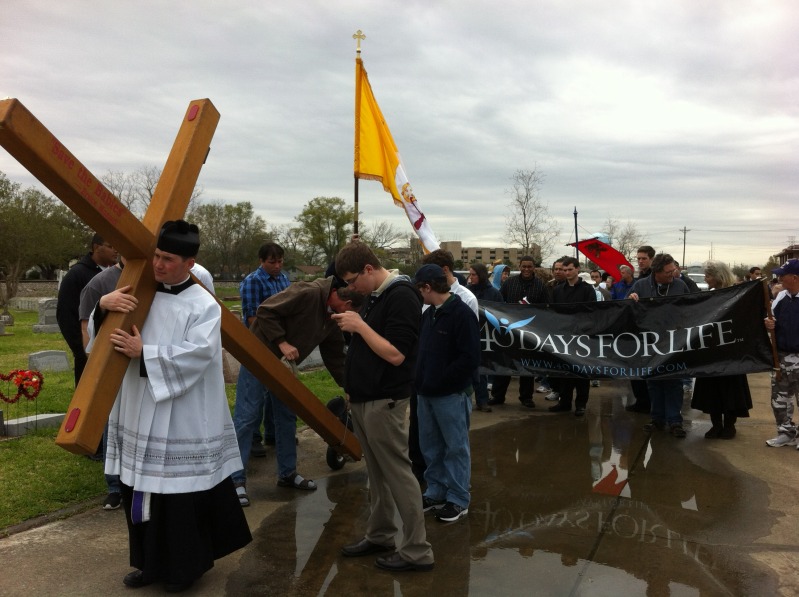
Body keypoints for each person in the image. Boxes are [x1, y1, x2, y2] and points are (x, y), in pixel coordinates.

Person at [92, 220, 251, 592]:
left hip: (180, 416)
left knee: (178, 501)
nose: (158, 265)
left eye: (168, 259)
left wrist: (144, 353)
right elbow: (98, 341)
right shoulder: (139, 293)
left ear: (189, 263)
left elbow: (199, 355)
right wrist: (103, 307)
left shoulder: (203, 305)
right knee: (138, 492)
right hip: (136, 408)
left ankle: (184, 568)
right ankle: (147, 564)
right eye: (156, 257)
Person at [332, 242, 434, 573]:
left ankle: (417, 549)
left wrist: (359, 326)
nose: (350, 288)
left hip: (385, 401)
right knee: (376, 474)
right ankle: (381, 534)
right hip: (365, 399)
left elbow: (396, 354)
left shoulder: (401, 295)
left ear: (368, 270)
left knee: (398, 474)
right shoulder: (378, 296)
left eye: (351, 280)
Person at [231, 276, 364, 506]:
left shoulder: (332, 316)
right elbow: (265, 311)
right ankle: (235, 481)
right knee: (247, 416)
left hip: (284, 366)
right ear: (347, 304)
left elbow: (335, 357)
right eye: (350, 313)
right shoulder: (308, 292)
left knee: (286, 417)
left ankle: (287, 473)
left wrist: (349, 387)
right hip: (259, 356)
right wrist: (282, 341)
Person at [414, 264, 480, 523]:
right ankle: (436, 490)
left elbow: (470, 357)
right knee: (430, 445)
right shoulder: (429, 314)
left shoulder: (461, 314)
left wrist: (441, 380)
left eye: (420, 289)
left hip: (451, 395)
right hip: (426, 393)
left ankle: (458, 498)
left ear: (427, 287)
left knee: (455, 447)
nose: (420, 294)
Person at [79, 258, 126, 510]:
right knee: (112, 423)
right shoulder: (100, 283)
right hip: (109, 363)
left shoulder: (156, 277)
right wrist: (103, 304)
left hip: (139, 359)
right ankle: (114, 486)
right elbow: (87, 328)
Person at [234, 243, 289, 460]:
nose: (277, 266)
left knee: (275, 392)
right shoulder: (253, 282)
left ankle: (273, 433)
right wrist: (273, 338)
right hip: (259, 343)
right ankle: (254, 438)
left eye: (280, 261)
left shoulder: (284, 279)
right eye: (272, 262)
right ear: (261, 261)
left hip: (280, 342)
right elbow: (252, 318)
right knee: (254, 393)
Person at [628, 253, 690, 437]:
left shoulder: (680, 285)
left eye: (674, 270)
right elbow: (625, 309)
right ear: (657, 271)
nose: (673, 274)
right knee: (654, 383)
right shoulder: (640, 286)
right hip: (650, 343)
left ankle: (675, 421)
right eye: (669, 271)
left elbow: (692, 309)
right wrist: (630, 299)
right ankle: (657, 419)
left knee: (673, 382)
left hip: (673, 342)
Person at [691, 260, 753, 439]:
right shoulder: (709, 295)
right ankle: (716, 425)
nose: (705, 278)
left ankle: (729, 426)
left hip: (731, 351)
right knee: (711, 390)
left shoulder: (736, 294)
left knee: (731, 389)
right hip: (710, 350)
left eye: (708, 275)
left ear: (718, 276)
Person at [57, 234, 118, 386]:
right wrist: (81, 350)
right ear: (97, 248)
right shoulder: (77, 275)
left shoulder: (117, 273)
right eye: (110, 246)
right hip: (88, 351)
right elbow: (66, 315)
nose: (116, 250)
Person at [489, 255, 549, 408]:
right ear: (519, 266)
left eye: (529, 266)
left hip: (530, 332)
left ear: (534, 267)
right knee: (504, 363)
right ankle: (498, 395)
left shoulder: (540, 285)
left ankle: (526, 397)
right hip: (509, 331)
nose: (527, 269)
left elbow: (546, 308)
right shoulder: (509, 283)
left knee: (526, 366)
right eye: (524, 266)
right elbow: (500, 304)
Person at [548, 257, 597, 416]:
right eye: (565, 269)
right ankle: (565, 402)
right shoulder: (558, 290)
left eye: (570, 269)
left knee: (582, 372)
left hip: (581, 337)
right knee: (565, 371)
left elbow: (591, 312)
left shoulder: (587, 289)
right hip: (564, 337)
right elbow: (554, 313)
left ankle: (581, 404)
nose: (567, 272)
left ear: (577, 269)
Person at [763, 259, 799, 448]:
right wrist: (769, 323)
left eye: (782, 276)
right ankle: (785, 432)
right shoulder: (782, 296)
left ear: (794, 277)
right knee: (780, 399)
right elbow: (772, 319)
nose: (779, 279)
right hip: (782, 357)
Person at [467, 263, 502, 412]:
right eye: (470, 274)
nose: (470, 277)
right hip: (469, 334)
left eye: (473, 274)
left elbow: (502, 313)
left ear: (480, 275)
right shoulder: (467, 292)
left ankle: (482, 400)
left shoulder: (493, 293)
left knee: (481, 370)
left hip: (486, 336)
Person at [625, 245, 656, 413]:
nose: (640, 261)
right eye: (638, 258)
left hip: (654, 331)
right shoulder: (639, 280)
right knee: (636, 367)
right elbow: (625, 301)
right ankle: (641, 401)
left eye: (644, 258)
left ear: (651, 259)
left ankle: (651, 402)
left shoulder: (657, 278)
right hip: (638, 331)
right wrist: (630, 298)